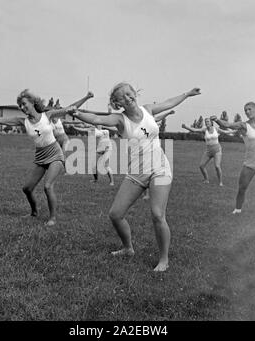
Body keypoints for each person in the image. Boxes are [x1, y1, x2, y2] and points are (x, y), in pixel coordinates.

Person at [67, 82, 201, 271]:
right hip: (137, 170)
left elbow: (169, 102)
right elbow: (97, 118)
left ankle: (164, 260)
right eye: (123, 97)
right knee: (115, 214)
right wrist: (78, 113)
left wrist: (187, 93)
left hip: (160, 167)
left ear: (134, 93)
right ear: (118, 102)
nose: (128, 98)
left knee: (157, 214)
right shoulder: (120, 120)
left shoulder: (148, 109)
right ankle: (128, 248)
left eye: (129, 93)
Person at [0, 90, 92, 226]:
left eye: (24, 104)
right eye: (20, 105)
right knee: (27, 188)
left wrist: (85, 98)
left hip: (55, 154)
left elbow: (69, 109)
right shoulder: (23, 121)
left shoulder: (48, 115)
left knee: (48, 186)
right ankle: (34, 213)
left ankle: (53, 218)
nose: (22, 107)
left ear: (33, 102)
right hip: (40, 156)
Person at [210, 102, 255, 221]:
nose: (247, 112)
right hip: (250, 163)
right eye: (245, 110)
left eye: (249, 109)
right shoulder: (243, 125)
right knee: (242, 188)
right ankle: (238, 209)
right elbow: (228, 124)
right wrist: (217, 120)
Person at [182, 118, 234, 186]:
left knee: (217, 166)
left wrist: (234, 131)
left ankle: (220, 182)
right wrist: (186, 127)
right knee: (201, 166)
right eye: (206, 122)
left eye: (208, 121)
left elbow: (225, 132)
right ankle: (206, 180)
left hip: (217, 150)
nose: (207, 123)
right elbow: (195, 130)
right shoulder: (204, 130)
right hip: (208, 151)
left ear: (211, 122)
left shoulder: (216, 129)